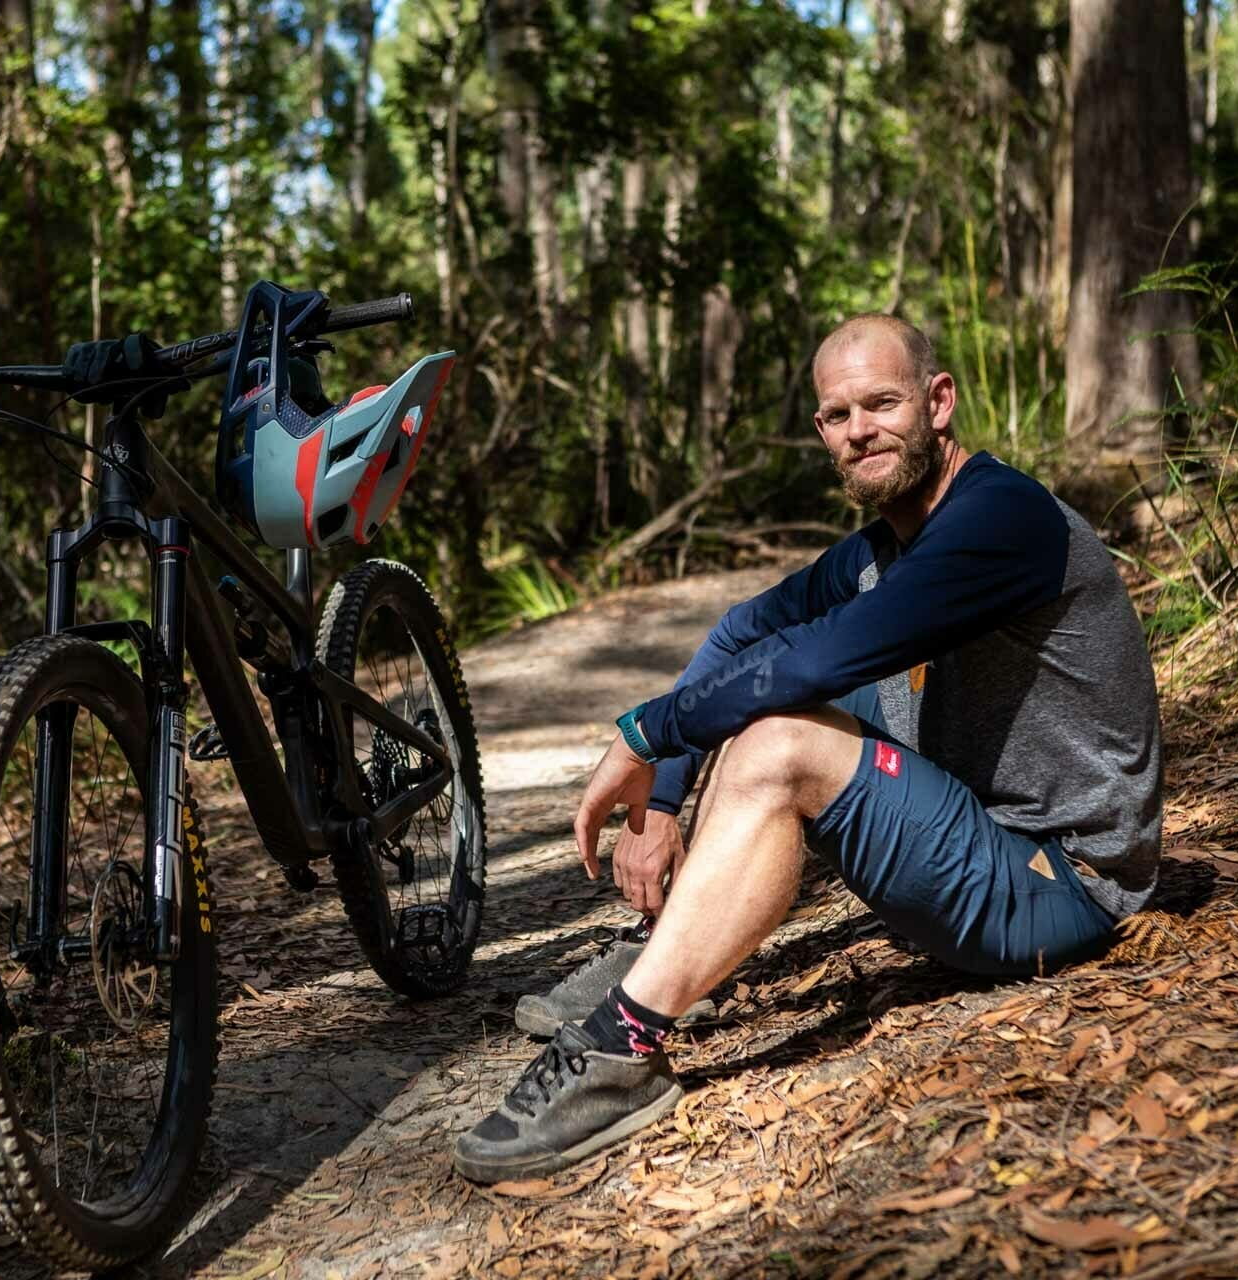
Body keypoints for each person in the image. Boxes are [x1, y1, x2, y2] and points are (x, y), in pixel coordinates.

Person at [452, 313, 1162, 1184]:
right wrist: (663, 800)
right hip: (974, 829)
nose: (859, 429)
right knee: (764, 687)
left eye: (883, 403)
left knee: (781, 738)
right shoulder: (882, 549)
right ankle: (673, 942)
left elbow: (816, 661)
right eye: (837, 414)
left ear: (939, 403)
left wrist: (642, 733)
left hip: (1062, 883)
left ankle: (618, 1055)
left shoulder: (1003, 517)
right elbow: (741, 635)